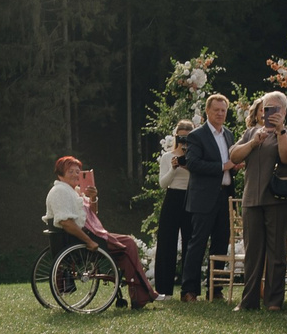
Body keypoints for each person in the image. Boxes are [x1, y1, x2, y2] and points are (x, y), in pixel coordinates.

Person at [49, 157, 158, 308]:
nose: (75, 175)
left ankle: (140, 296)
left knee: (126, 245)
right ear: (60, 174)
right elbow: (66, 223)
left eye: (77, 172)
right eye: (71, 171)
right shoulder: (60, 191)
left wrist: (93, 198)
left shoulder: (74, 191)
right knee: (128, 244)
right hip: (78, 239)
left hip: (86, 234)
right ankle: (143, 294)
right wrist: (89, 241)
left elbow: (92, 214)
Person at [230, 90, 287, 311]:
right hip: (252, 199)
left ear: (284, 112)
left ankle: (273, 301)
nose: (268, 112)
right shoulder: (251, 133)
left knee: (276, 252)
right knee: (252, 252)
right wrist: (253, 143)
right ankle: (249, 300)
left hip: (278, 199)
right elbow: (233, 156)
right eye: (265, 108)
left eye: (274, 108)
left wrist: (280, 132)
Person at [176, 94, 235, 301]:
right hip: (203, 197)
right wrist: (222, 166)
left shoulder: (228, 134)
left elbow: (230, 163)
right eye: (216, 110)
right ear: (207, 112)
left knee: (221, 243)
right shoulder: (197, 135)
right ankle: (189, 290)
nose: (220, 113)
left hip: (224, 196)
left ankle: (215, 289)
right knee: (198, 243)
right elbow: (192, 163)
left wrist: (234, 166)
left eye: (223, 110)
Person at [152, 118, 196, 300]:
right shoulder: (167, 157)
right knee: (166, 243)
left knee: (190, 244)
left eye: (188, 138)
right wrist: (174, 168)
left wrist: (190, 165)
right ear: (176, 138)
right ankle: (164, 289)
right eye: (181, 138)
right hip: (172, 197)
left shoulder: (195, 157)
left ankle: (188, 290)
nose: (184, 142)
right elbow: (163, 184)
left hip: (190, 198)